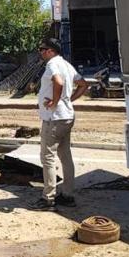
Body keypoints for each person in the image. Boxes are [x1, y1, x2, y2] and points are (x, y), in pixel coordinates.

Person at [29, 38, 88, 211]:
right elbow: (83, 84)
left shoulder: (52, 64)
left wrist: (55, 102)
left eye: (42, 49)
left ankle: (48, 198)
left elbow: (59, 82)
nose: (40, 52)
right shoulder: (67, 65)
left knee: (47, 158)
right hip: (67, 116)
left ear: (51, 51)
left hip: (54, 119)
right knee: (65, 155)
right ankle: (68, 195)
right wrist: (68, 100)